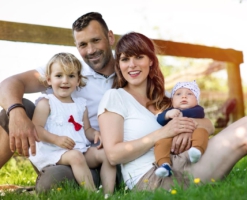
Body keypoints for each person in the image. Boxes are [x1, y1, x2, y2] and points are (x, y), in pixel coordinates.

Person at [0, 12, 191, 192]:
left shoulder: (131, 69)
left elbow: (168, 104)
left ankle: (101, 188)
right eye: (82, 44)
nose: (91, 50)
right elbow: (9, 84)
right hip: (67, 152)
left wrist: (182, 128)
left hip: (111, 156)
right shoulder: (69, 71)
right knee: (19, 107)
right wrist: (16, 112)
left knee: (54, 181)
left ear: (109, 37)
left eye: (96, 40)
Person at [98, 32, 247, 191]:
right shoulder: (115, 98)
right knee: (245, 130)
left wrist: (187, 128)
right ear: (119, 65)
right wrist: (164, 133)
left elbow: (208, 125)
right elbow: (114, 154)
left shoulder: (168, 97)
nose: (131, 65)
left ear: (151, 61)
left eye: (139, 57)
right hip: (152, 179)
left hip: (184, 161)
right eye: (125, 59)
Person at [28, 52, 115, 193]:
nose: (65, 81)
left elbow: (86, 130)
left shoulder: (81, 105)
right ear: (49, 79)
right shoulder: (47, 103)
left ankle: (108, 193)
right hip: (54, 151)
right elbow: (36, 129)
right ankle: (92, 194)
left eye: (71, 76)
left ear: (78, 80)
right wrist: (56, 139)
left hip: (79, 149)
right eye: (59, 76)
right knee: (75, 156)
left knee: (107, 154)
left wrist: (96, 134)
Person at [155, 80, 208, 177]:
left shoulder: (197, 109)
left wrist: (182, 114)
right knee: (161, 142)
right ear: (172, 100)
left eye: (189, 94)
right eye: (178, 94)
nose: (184, 96)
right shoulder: (171, 111)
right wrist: (167, 115)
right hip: (171, 143)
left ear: (196, 100)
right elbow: (159, 119)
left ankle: (197, 151)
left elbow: (199, 113)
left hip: (192, 140)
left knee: (202, 131)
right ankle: (164, 165)